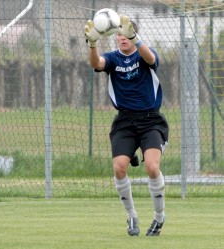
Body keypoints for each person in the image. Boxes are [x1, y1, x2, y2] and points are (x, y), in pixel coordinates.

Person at [85, 15, 169, 236]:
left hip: (151, 119)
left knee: (152, 167)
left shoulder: (144, 53)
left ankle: (159, 218)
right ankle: (132, 217)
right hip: (125, 121)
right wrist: (92, 43)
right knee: (119, 167)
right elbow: (96, 63)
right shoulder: (112, 59)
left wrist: (137, 39)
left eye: (126, 34)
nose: (122, 38)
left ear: (133, 34)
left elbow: (151, 59)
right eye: (118, 34)